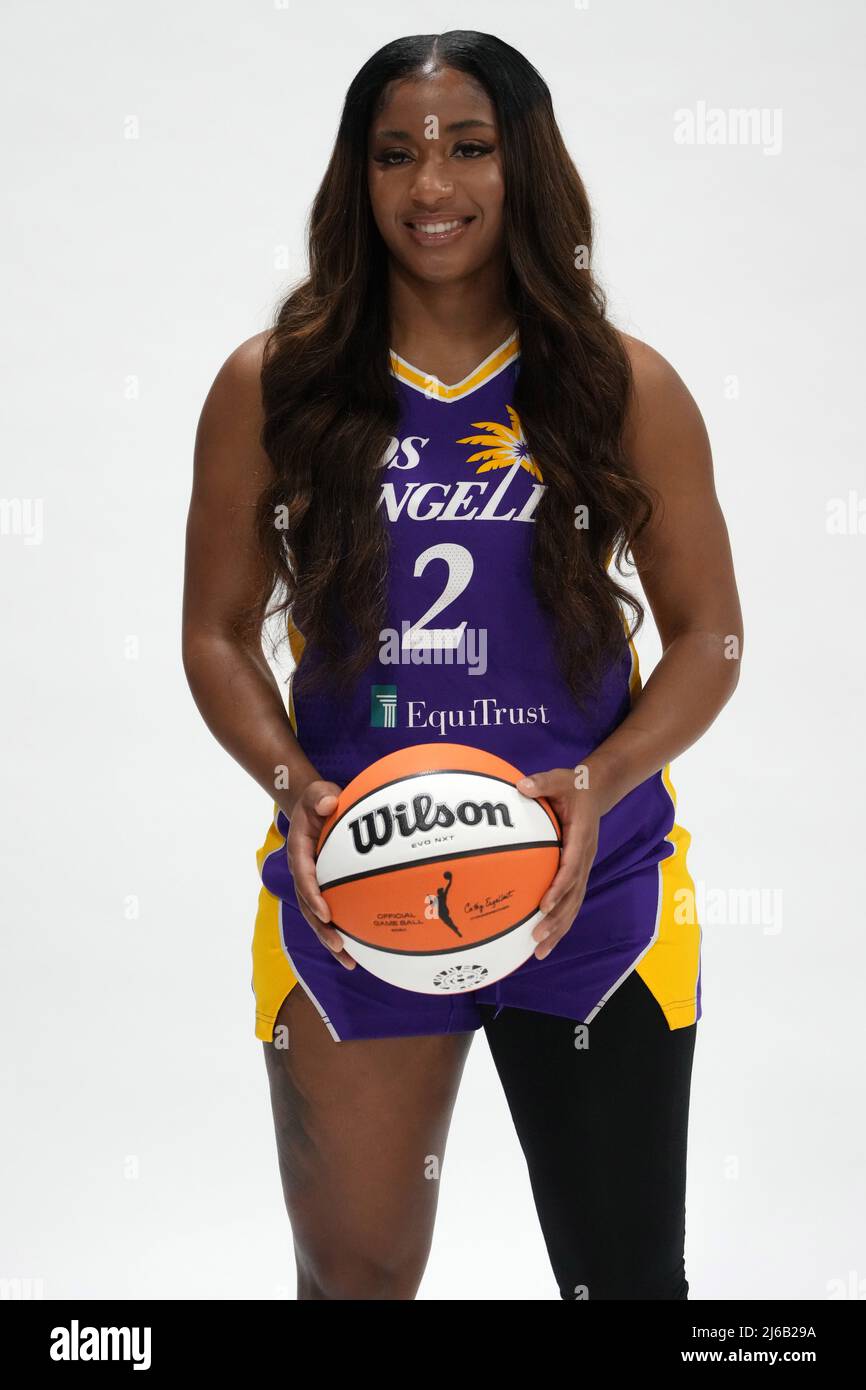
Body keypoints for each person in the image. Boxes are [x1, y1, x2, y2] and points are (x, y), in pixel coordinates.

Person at [182, 30, 743, 1300]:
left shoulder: (616, 385)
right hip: (357, 881)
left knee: (628, 1286)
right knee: (354, 1281)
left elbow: (710, 634)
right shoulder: (274, 386)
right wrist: (291, 786)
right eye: (395, 154)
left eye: (467, 147)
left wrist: (599, 779)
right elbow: (213, 631)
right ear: (358, 179)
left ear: (523, 166)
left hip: (592, 892)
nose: (429, 184)